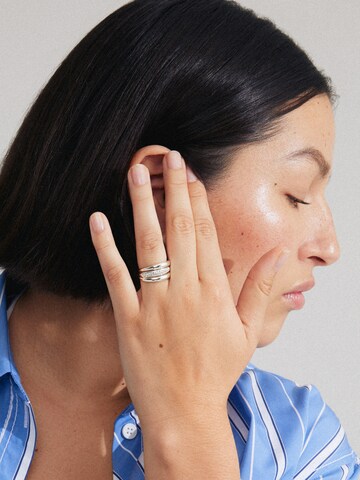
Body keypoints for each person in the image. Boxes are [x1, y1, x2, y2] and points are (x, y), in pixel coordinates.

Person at [0, 0, 359, 478]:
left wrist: (189, 428)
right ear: (159, 188)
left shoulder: (299, 448)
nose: (329, 248)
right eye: (296, 194)